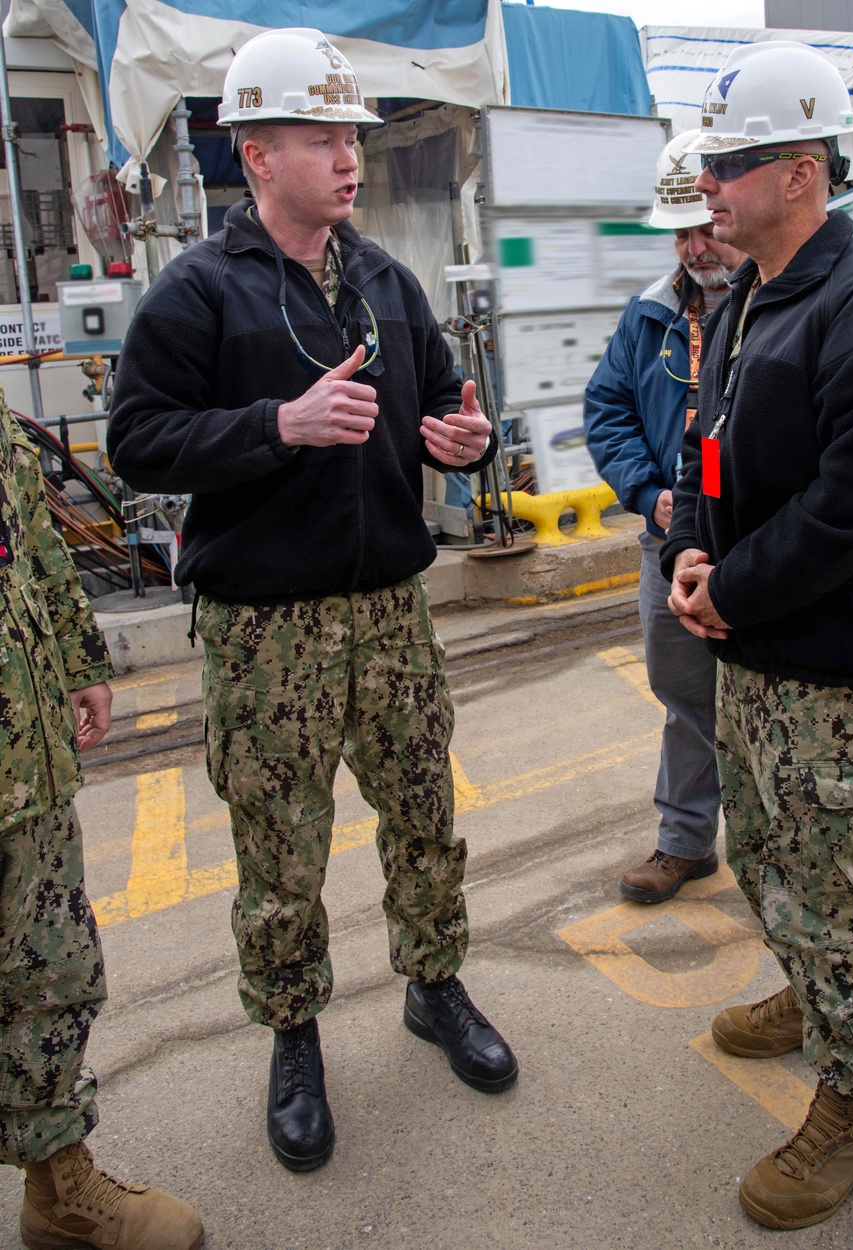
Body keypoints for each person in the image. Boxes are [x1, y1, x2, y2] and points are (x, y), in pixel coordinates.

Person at [107, 28, 518, 1176]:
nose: (348, 157)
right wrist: (272, 427)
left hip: (391, 606)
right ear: (256, 153)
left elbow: (448, 406)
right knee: (278, 846)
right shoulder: (197, 292)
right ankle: (293, 1036)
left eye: (351, 137)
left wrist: (467, 440)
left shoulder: (387, 281)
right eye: (323, 136)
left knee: (425, 813)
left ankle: (434, 984)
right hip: (266, 627)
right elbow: (135, 441)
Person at [662, 41, 853, 1230]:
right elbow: (709, 438)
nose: (708, 188)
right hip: (756, 656)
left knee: (843, 897)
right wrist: (692, 540)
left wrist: (733, 588)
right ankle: (808, 990)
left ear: (798, 172)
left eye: (729, 167)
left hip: (832, 668)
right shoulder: (751, 297)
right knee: (774, 860)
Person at [0, 400, 203, 1249]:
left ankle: (60, 1192)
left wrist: (82, 664)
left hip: (25, 765)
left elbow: (34, 554)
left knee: (50, 972)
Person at [585, 131, 744, 903]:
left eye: (704, 227)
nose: (693, 246)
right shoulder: (649, 316)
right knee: (686, 695)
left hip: (752, 549)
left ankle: (772, 860)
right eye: (680, 231)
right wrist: (651, 495)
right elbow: (607, 409)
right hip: (667, 540)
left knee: (766, 704)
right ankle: (686, 841)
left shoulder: (772, 312)